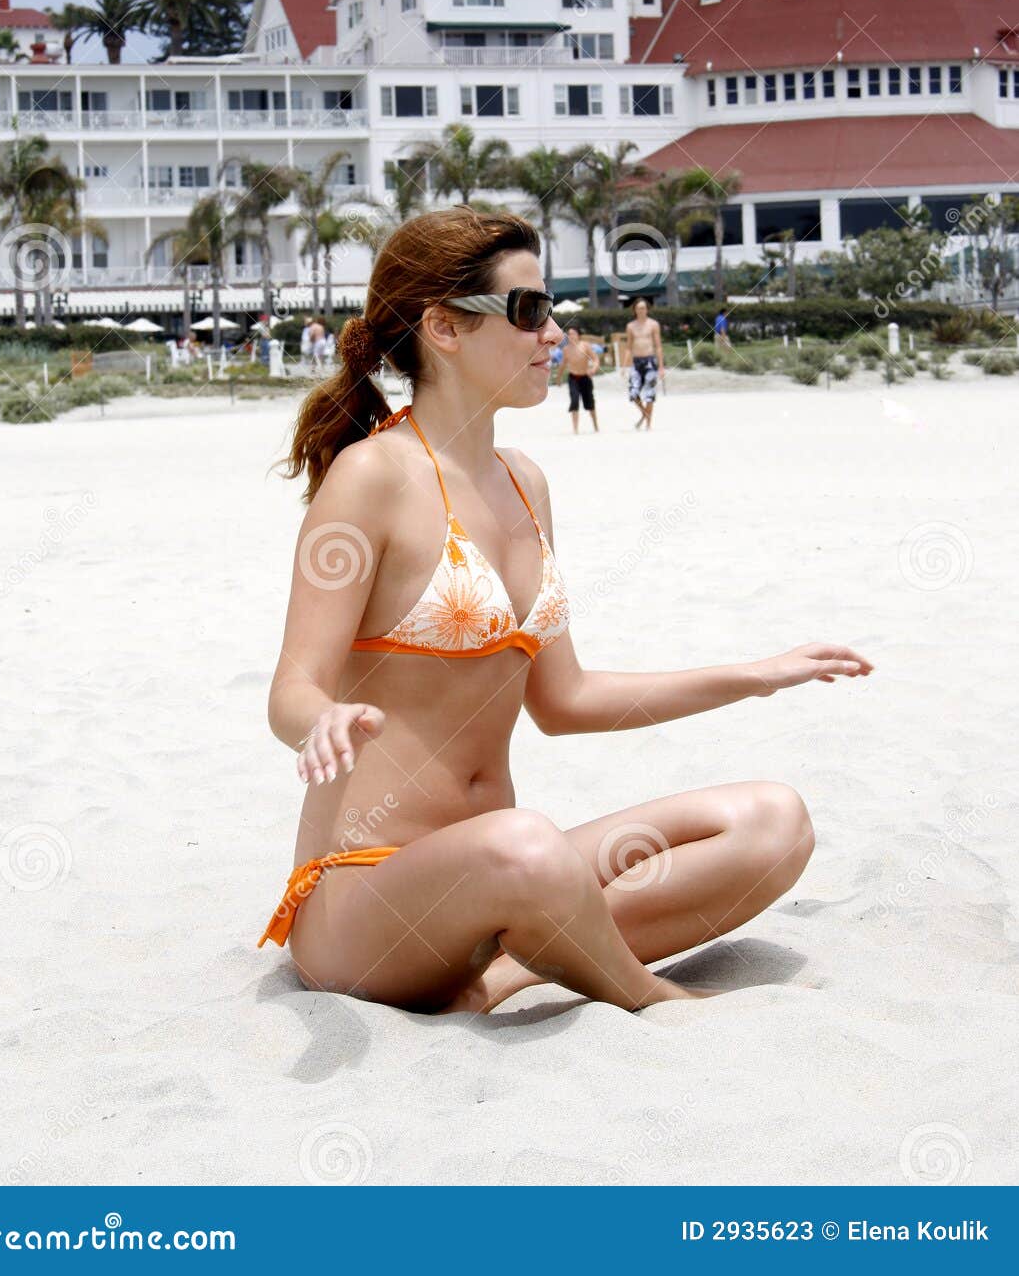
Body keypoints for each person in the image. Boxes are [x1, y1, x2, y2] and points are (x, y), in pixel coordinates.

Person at [259, 205, 872, 1017]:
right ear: (443, 327)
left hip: (504, 888)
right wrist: (322, 721)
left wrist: (754, 675)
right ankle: (648, 996)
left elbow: (564, 699)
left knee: (772, 823)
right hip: (368, 904)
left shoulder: (525, 483)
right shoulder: (369, 478)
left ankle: (507, 973)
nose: (554, 333)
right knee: (524, 842)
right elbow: (290, 690)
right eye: (528, 311)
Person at [620, 296, 664, 430]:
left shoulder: (653, 324)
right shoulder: (630, 326)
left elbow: (658, 346)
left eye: (644, 308)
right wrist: (624, 366)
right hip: (636, 362)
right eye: (639, 308)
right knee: (633, 393)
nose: (641, 310)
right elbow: (628, 347)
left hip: (650, 361)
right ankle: (645, 414)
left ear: (647, 309)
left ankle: (648, 424)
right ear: (634, 310)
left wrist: (661, 366)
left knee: (649, 394)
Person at [556, 324, 599, 433]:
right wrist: (559, 378)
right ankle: (575, 429)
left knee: (590, 403)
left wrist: (594, 369)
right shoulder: (566, 349)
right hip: (573, 378)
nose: (571, 336)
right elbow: (563, 365)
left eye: (573, 333)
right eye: (569, 334)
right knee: (574, 401)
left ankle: (595, 426)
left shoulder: (585, 346)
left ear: (578, 335)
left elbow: (595, 359)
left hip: (585, 377)